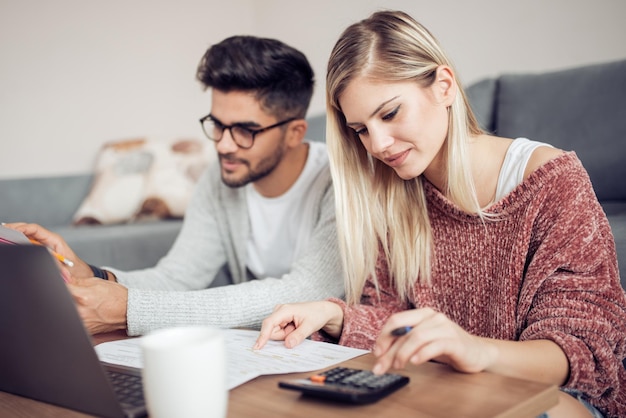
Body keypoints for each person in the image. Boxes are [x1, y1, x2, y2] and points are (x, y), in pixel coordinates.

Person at [254, 10, 626, 418]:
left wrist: (472, 349)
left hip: (557, 399)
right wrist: (335, 316)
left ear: (444, 86)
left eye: (390, 113)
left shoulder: (551, 181)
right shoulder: (392, 192)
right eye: (360, 129)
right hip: (448, 394)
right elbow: (396, 321)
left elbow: (578, 353)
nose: (377, 144)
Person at [8, 35, 343, 336]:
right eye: (217, 125)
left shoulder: (339, 182)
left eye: (245, 130)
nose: (224, 145)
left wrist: (129, 310)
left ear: (295, 132)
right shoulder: (222, 177)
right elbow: (177, 278)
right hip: (266, 348)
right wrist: (92, 274)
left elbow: (306, 290)